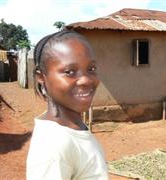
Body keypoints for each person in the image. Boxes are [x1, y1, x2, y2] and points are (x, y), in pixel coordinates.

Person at [26, 29, 109, 180]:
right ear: (41, 77)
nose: (86, 80)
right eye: (70, 71)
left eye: (91, 69)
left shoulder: (74, 128)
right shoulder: (53, 147)